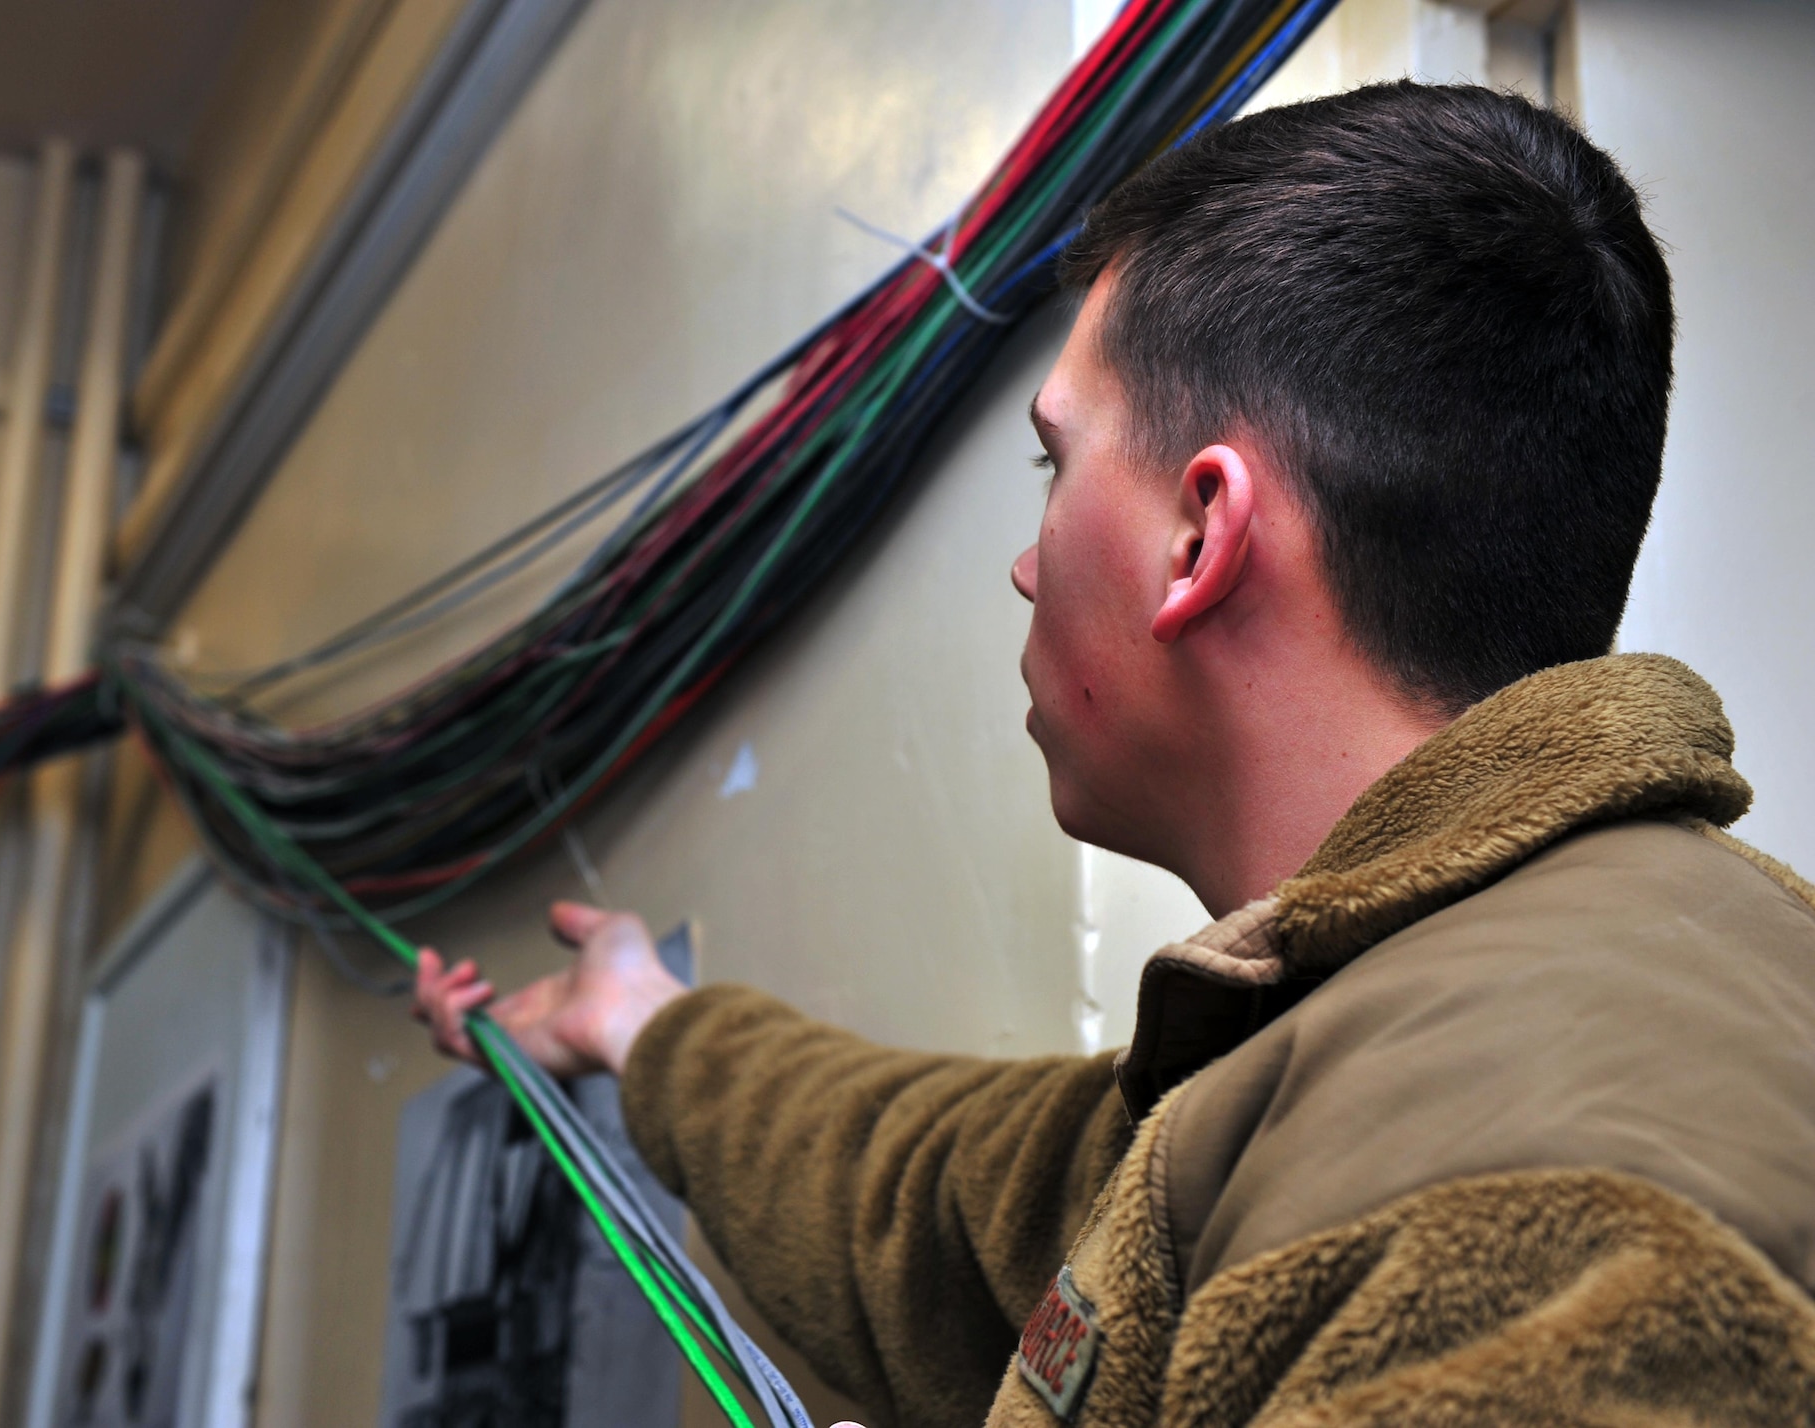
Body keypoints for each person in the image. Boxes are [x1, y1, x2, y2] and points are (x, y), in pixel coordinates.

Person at [415, 82, 1815, 1427]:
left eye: (1054, 464)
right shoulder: (1374, 1028)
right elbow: (928, 1205)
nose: (1029, 566)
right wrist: (641, 1023)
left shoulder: (1529, 1180)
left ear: (1201, 537)